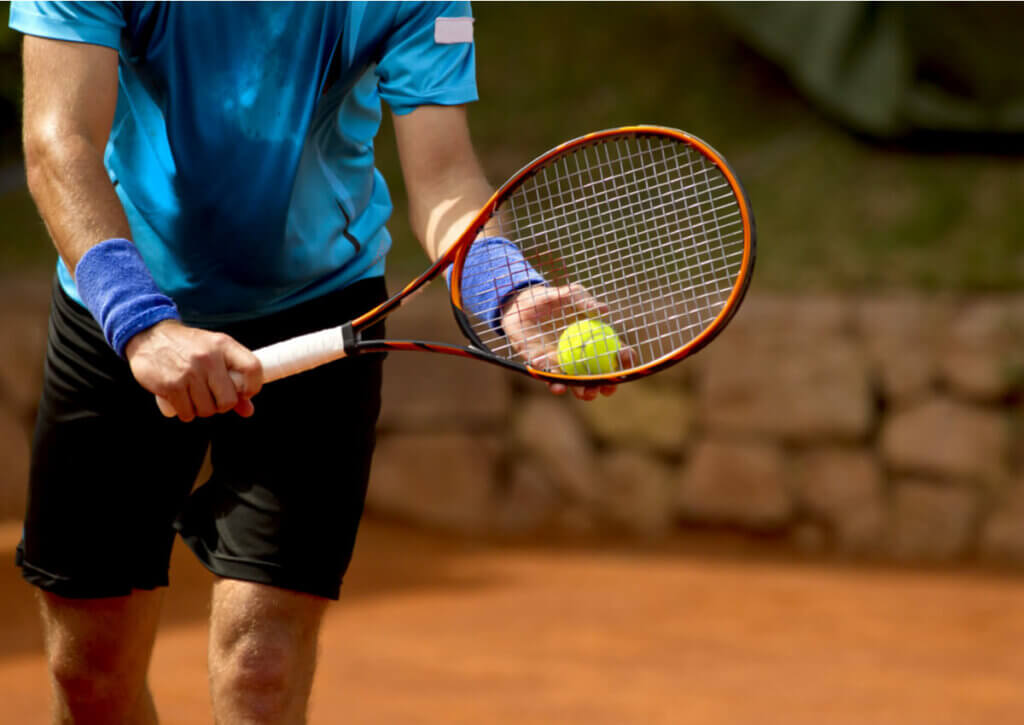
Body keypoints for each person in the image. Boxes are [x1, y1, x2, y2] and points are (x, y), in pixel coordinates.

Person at [10, 2, 618, 723]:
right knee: (88, 671)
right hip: (116, 302)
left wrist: (506, 293)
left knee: (261, 667)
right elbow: (59, 140)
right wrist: (143, 324)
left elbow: (447, 179)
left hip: (321, 305)